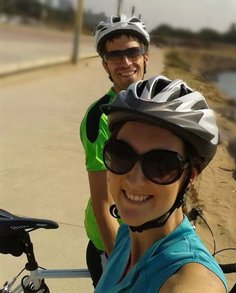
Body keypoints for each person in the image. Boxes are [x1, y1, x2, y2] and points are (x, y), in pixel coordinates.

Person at [95, 75, 228, 292]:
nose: (134, 179)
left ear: (190, 176)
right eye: (121, 155)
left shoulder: (188, 280)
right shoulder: (126, 236)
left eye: (161, 165)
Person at [80, 14, 150, 286]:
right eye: (114, 55)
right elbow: (101, 201)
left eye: (133, 52)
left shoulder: (160, 106)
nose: (125, 62)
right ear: (105, 64)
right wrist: (121, 267)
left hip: (149, 236)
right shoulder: (100, 117)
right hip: (115, 241)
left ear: (146, 56)